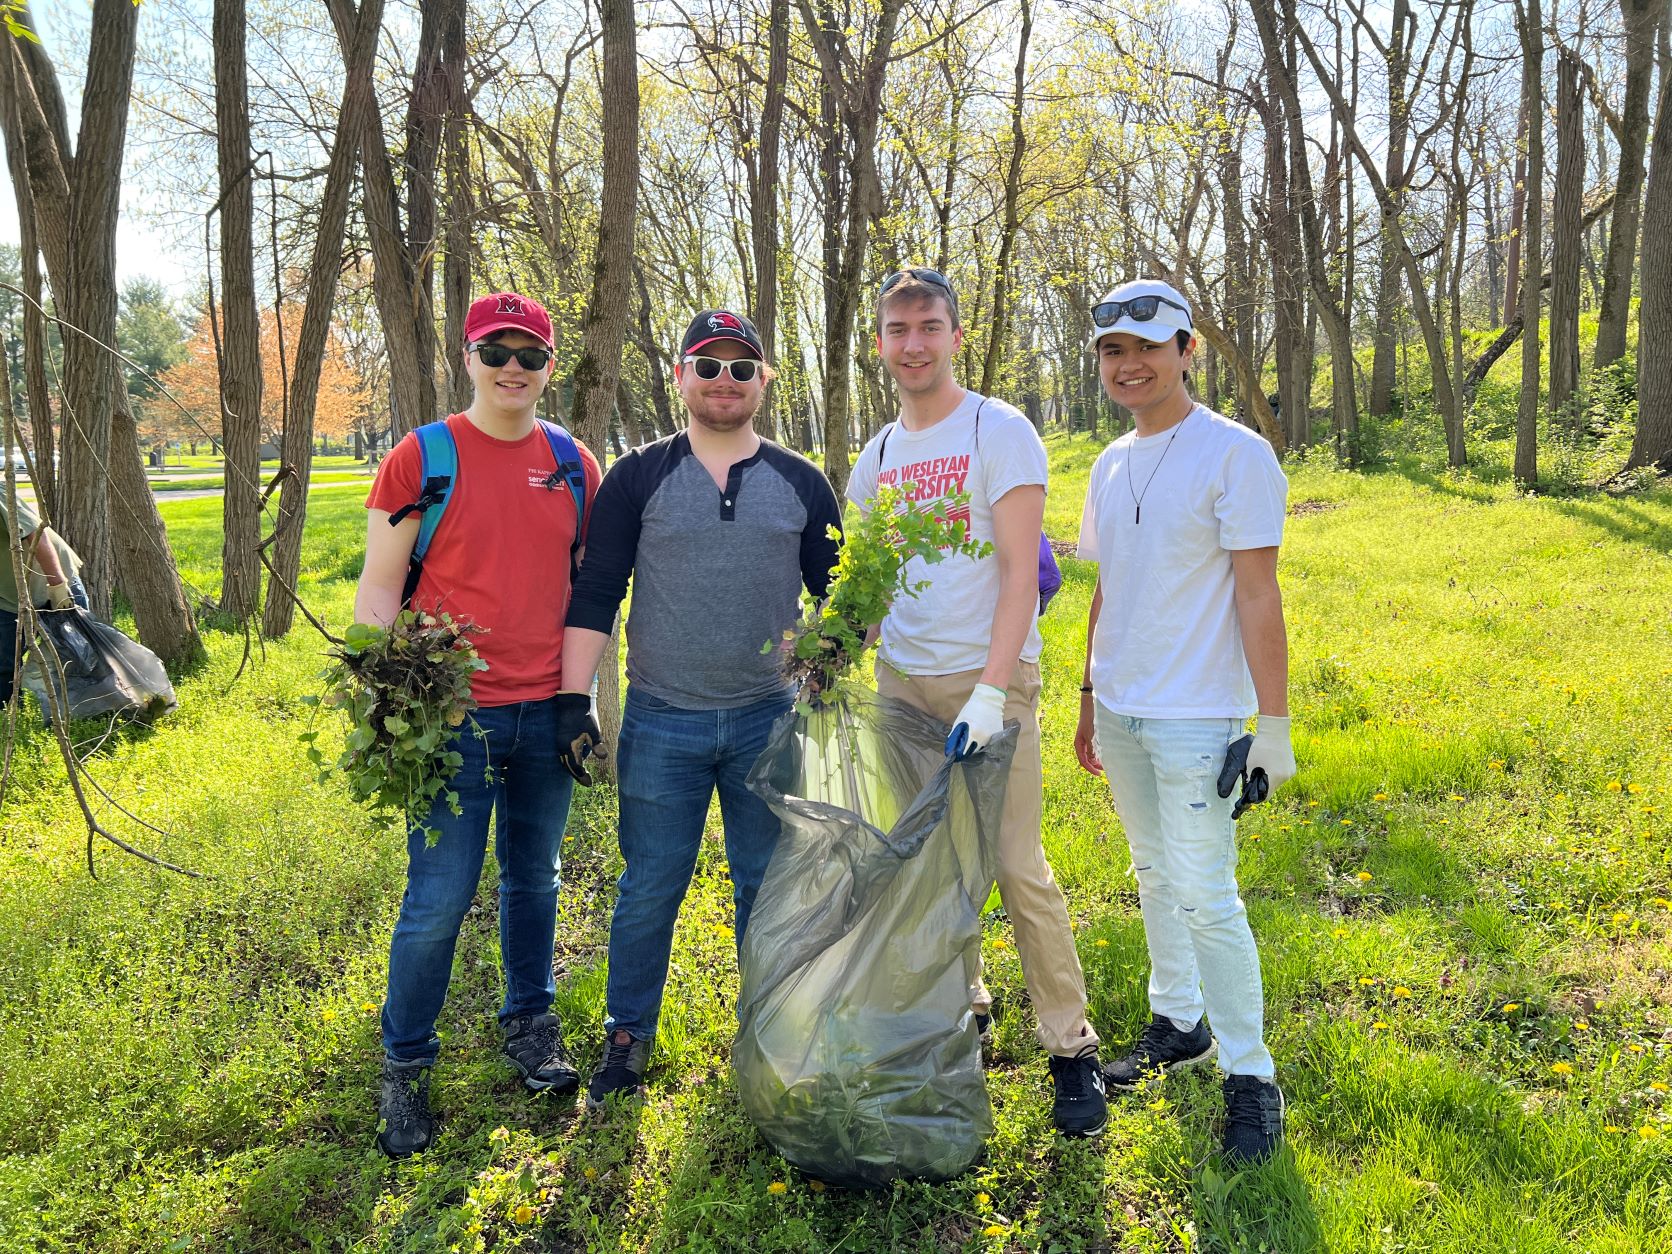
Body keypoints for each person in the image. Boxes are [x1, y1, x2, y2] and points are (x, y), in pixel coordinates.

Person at [557, 309, 843, 1111]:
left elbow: (841, 598)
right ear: (680, 377)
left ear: (765, 383)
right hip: (660, 722)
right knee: (651, 885)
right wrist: (575, 701)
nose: (725, 381)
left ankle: (769, 1030)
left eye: (741, 368)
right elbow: (597, 592)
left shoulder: (801, 482)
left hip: (768, 719)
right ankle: (628, 1034)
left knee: (765, 884)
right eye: (708, 366)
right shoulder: (638, 477)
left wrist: (829, 670)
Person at [844, 267, 1107, 1138]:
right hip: (904, 686)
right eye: (897, 328)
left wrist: (993, 690)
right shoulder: (876, 456)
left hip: (990, 681)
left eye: (928, 326)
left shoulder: (1002, 431)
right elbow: (869, 587)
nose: (912, 343)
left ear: (955, 334)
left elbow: (1018, 576)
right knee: (927, 864)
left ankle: (1071, 1049)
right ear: (879, 342)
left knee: (1014, 864)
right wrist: (829, 650)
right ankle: (963, 1009)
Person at [356, 291, 602, 1158]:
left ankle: (530, 1025)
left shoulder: (575, 463)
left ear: (548, 366)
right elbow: (379, 592)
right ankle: (406, 1065)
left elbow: (588, 594)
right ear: (467, 356)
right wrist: (402, 698)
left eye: (530, 353)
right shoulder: (421, 458)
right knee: (438, 900)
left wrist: (582, 701)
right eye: (495, 349)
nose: (512, 366)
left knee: (535, 880)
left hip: (546, 716)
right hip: (452, 721)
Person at [1072, 278, 1294, 1162]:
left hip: (1198, 711)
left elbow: (1258, 591)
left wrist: (1270, 725)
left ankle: (1253, 1076)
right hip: (1122, 708)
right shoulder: (1109, 461)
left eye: (1148, 348)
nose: (1130, 367)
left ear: (1187, 351)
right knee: (1154, 873)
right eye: (1114, 353)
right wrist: (1090, 696)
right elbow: (1107, 587)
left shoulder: (1235, 455)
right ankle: (1181, 1024)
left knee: (1207, 894)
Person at [0, 497, 87, 705]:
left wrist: (57, 585)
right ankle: (9, 713)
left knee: (78, 653)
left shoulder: (1, 493)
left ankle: (89, 708)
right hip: (8, 596)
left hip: (49, 580)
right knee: (5, 663)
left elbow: (36, 534)